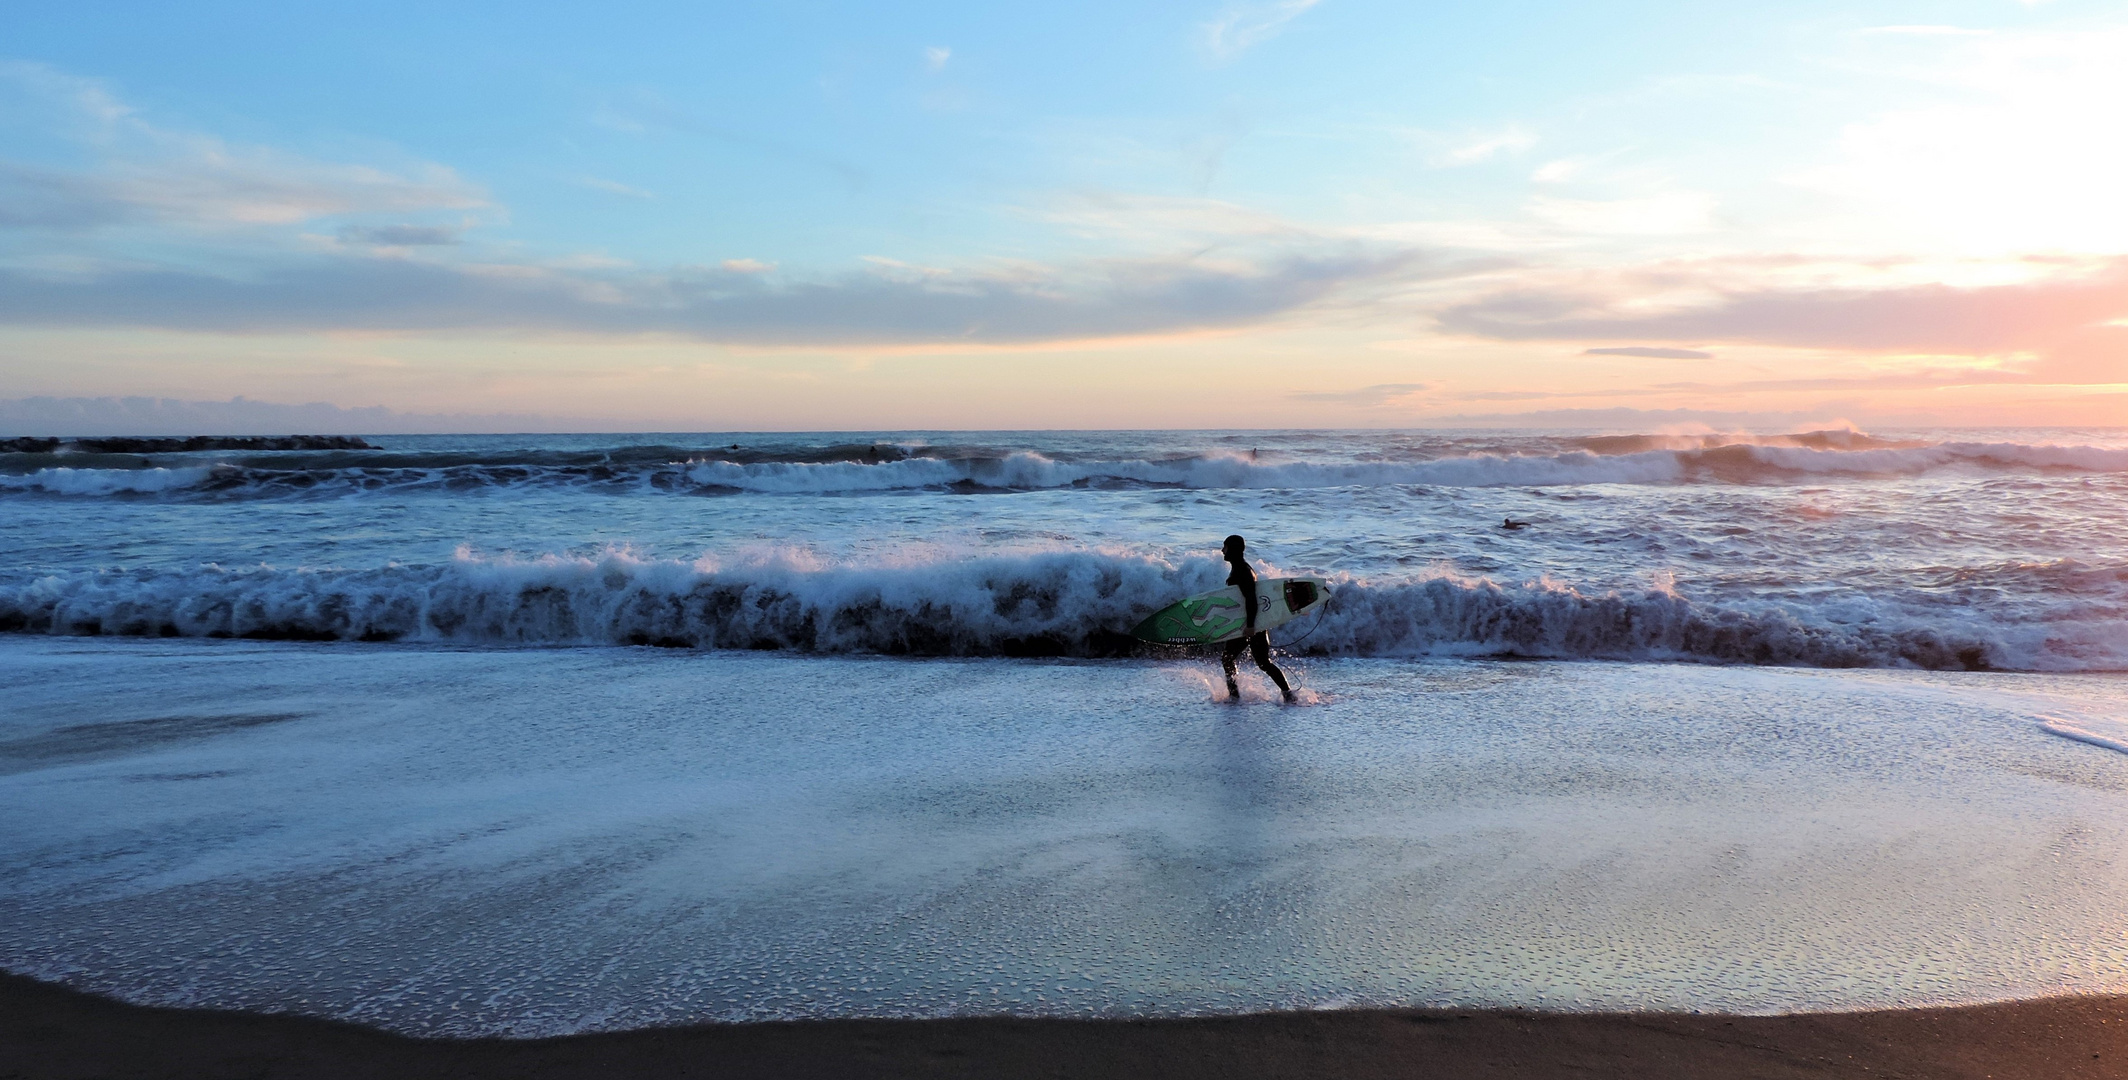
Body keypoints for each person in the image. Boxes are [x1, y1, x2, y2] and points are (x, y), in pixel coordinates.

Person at [1220, 534, 1296, 703]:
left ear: (1233, 549)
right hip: (1249, 622)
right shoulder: (1239, 568)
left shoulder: (1242, 571)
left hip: (1251, 623)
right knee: (1261, 662)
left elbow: (1251, 598)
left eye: (1225, 547)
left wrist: (1250, 625)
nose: (1222, 550)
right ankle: (1287, 694)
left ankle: (1235, 697)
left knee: (1234, 659)